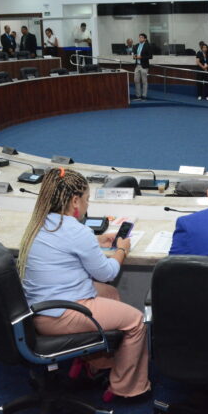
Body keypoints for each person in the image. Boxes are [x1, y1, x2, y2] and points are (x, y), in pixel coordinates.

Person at [18, 168, 149, 401]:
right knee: (136, 320)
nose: (88, 206)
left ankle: (97, 362)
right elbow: (107, 272)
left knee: (109, 294)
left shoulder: (38, 222)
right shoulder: (77, 232)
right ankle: (126, 387)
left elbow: (66, 247)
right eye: (87, 200)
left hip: (37, 308)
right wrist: (122, 250)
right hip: (61, 315)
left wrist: (96, 240)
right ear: (75, 200)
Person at [132, 33, 151, 100]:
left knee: (144, 81)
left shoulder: (148, 45)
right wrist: (134, 56)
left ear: (145, 39)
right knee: (136, 80)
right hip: (137, 65)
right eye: (139, 37)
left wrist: (141, 57)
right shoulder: (136, 45)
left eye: (141, 37)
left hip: (144, 66)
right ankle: (138, 96)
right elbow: (134, 54)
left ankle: (144, 96)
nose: (140, 38)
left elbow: (150, 56)